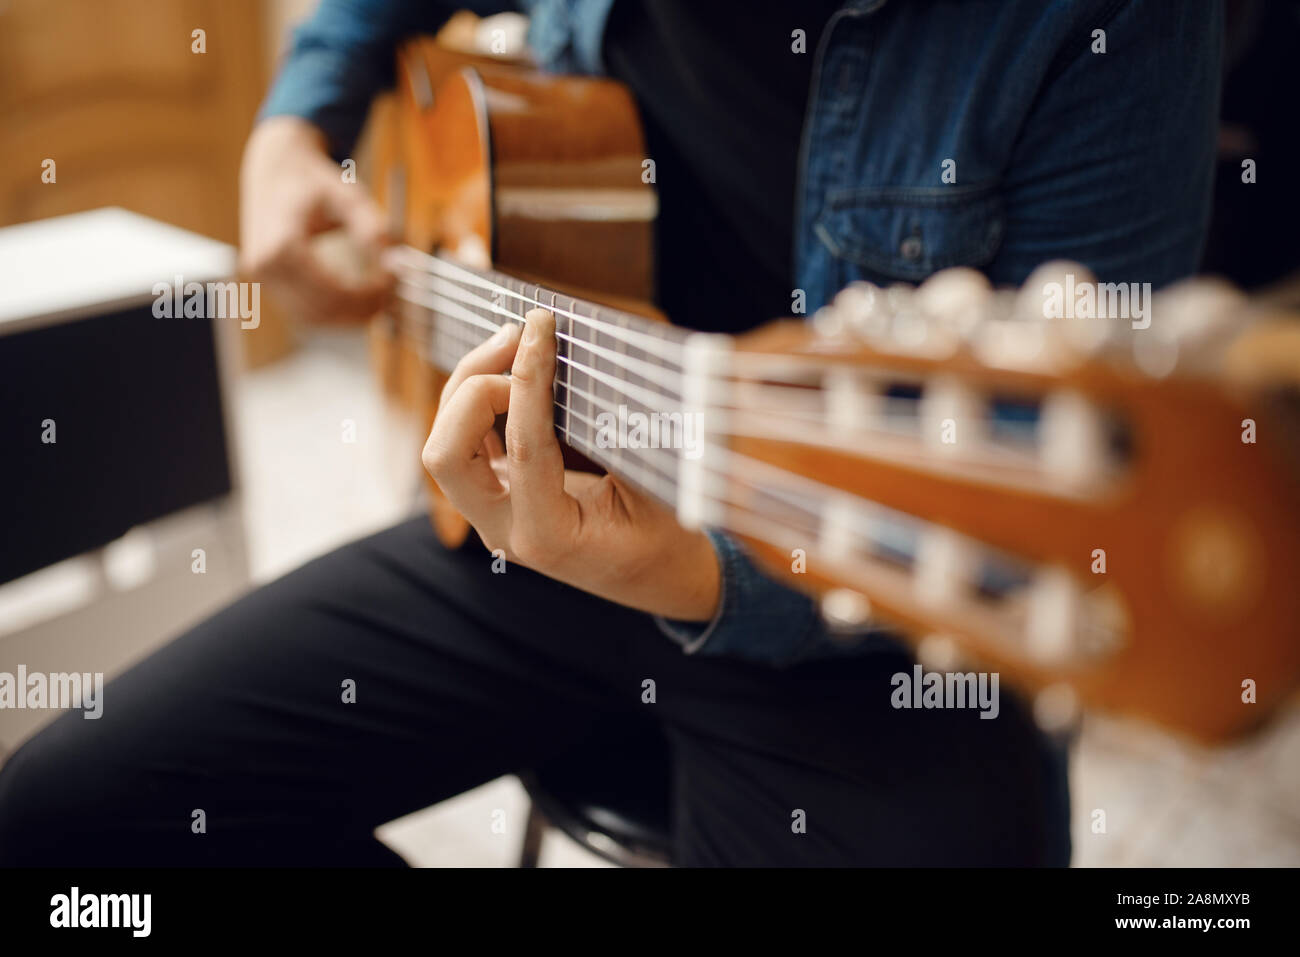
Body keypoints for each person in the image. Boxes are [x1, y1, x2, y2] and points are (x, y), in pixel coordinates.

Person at [0, 0, 1222, 866]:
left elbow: (1072, 485)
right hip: (537, 532)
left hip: (875, 626)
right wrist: (295, 122)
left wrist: (685, 571)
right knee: (61, 833)